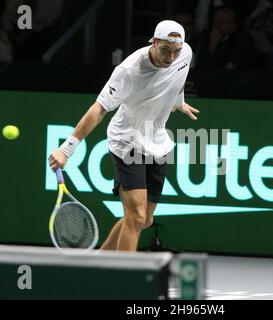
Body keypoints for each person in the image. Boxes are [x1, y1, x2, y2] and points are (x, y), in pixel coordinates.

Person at [49, 20, 199, 252]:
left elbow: (178, 78)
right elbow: (98, 110)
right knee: (136, 217)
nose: (171, 57)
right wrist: (66, 148)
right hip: (127, 141)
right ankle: (124, 279)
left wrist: (179, 103)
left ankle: (100, 260)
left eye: (176, 51)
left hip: (156, 141)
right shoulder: (129, 71)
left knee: (144, 219)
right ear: (154, 42)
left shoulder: (184, 53)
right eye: (165, 50)